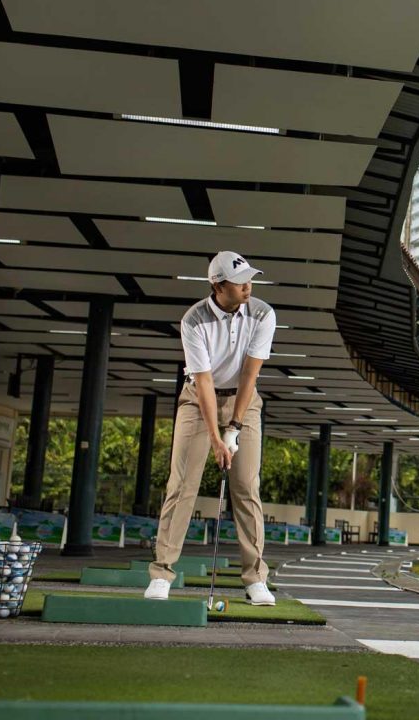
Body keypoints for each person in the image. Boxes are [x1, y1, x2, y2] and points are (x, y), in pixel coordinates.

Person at [145, 251, 276, 605]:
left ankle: (255, 580)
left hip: (244, 403)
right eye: (240, 281)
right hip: (198, 400)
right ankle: (162, 574)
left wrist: (233, 428)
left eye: (250, 278)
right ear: (218, 286)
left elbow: (250, 374)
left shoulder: (263, 313)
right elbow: (202, 383)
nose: (248, 285)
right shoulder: (194, 320)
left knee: (247, 486)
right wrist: (217, 439)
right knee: (181, 485)